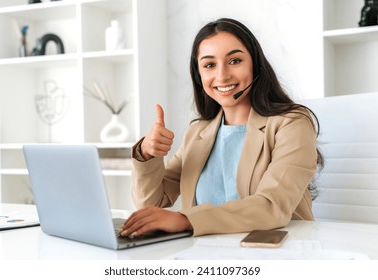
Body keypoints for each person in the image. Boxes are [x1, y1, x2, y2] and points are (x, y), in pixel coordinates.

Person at [119, 18, 322, 238]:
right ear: (199, 76)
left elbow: (272, 206)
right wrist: (147, 154)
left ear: (256, 64)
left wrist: (186, 220)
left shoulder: (292, 124)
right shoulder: (198, 133)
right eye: (209, 65)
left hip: (273, 252)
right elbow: (150, 203)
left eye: (234, 61)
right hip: (205, 253)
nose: (222, 76)